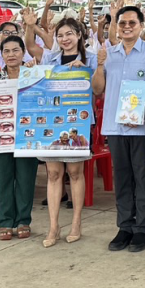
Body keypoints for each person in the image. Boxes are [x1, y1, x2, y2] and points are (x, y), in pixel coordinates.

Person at [98, 0, 145, 254]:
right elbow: (98, 88)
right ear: (116, 27)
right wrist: (99, 64)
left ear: (140, 25)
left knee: (143, 178)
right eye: (122, 23)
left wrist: (139, 107)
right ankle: (124, 226)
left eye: (132, 23)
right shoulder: (108, 54)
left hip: (142, 127)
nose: (126, 27)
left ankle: (141, 229)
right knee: (123, 178)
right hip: (115, 127)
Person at [40, 17, 99, 247]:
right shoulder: (49, 58)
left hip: (79, 122)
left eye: (69, 34)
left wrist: (86, 71)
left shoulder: (91, 59)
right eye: (61, 35)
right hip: (52, 121)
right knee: (53, 174)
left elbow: (98, 89)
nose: (65, 39)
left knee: (75, 173)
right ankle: (53, 226)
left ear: (79, 35)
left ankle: (76, 222)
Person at [0, 35, 38, 239]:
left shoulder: (34, 75)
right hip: (1, 136)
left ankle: (23, 220)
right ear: (1, 54)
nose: (11, 55)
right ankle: (5, 222)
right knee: (2, 178)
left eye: (15, 50)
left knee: (26, 178)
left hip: (28, 135)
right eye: (6, 51)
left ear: (23, 52)